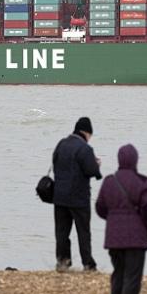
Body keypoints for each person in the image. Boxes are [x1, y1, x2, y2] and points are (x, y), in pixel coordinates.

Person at [96, 144, 147, 294]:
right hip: (136, 238)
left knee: (118, 274)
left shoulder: (109, 181)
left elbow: (100, 207)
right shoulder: (143, 182)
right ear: (135, 160)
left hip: (114, 237)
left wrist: (113, 218)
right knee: (132, 277)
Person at [51, 116, 102, 272]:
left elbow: (54, 163)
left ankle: (62, 262)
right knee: (83, 232)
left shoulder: (61, 144)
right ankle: (88, 264)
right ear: (86, 133)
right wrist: (97, 164)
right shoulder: (85, 149)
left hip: (59, 196)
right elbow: (92, 171)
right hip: (79, 198)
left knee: (62, 232)